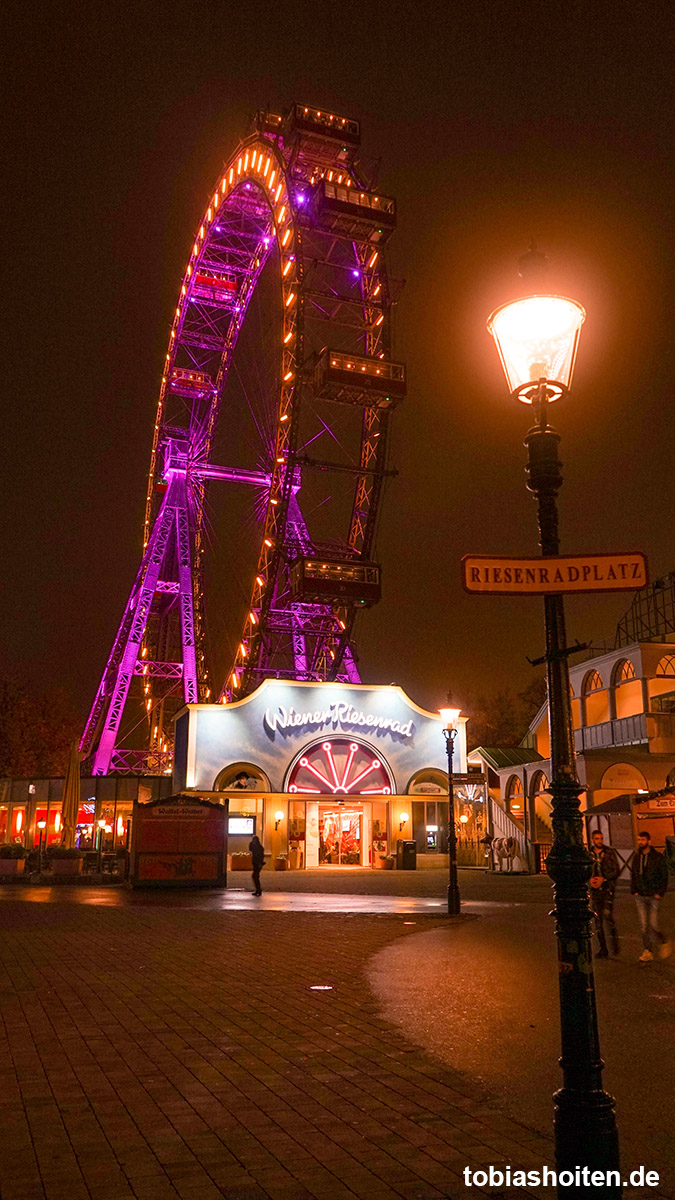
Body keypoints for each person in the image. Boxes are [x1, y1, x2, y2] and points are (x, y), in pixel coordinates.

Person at [630, 830, 671, 962]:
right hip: (640, 896)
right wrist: (634, 890)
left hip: (653, 895)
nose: (640, 842)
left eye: (643, 840)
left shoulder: (657, 857)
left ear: (649, 841)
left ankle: (664, 941)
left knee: (653, 924)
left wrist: (660, 892)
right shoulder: (637, 857)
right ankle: (647, 951)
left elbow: (663, 876)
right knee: (644, 925)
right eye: (639, 840)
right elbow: (634, 874)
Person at [589, 829, 620, 958]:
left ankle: (614, 944)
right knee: (598, 920)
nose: (599, 841)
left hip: (607, 889)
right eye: (597, 838)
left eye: (601, 838)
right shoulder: (589, 854)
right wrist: (590, 880)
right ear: (592, 840)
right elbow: (586, 870)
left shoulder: (609, 853)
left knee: (608, 916)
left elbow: (616, 870)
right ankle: (603, 948)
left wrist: (604, 879)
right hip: (595, 891)